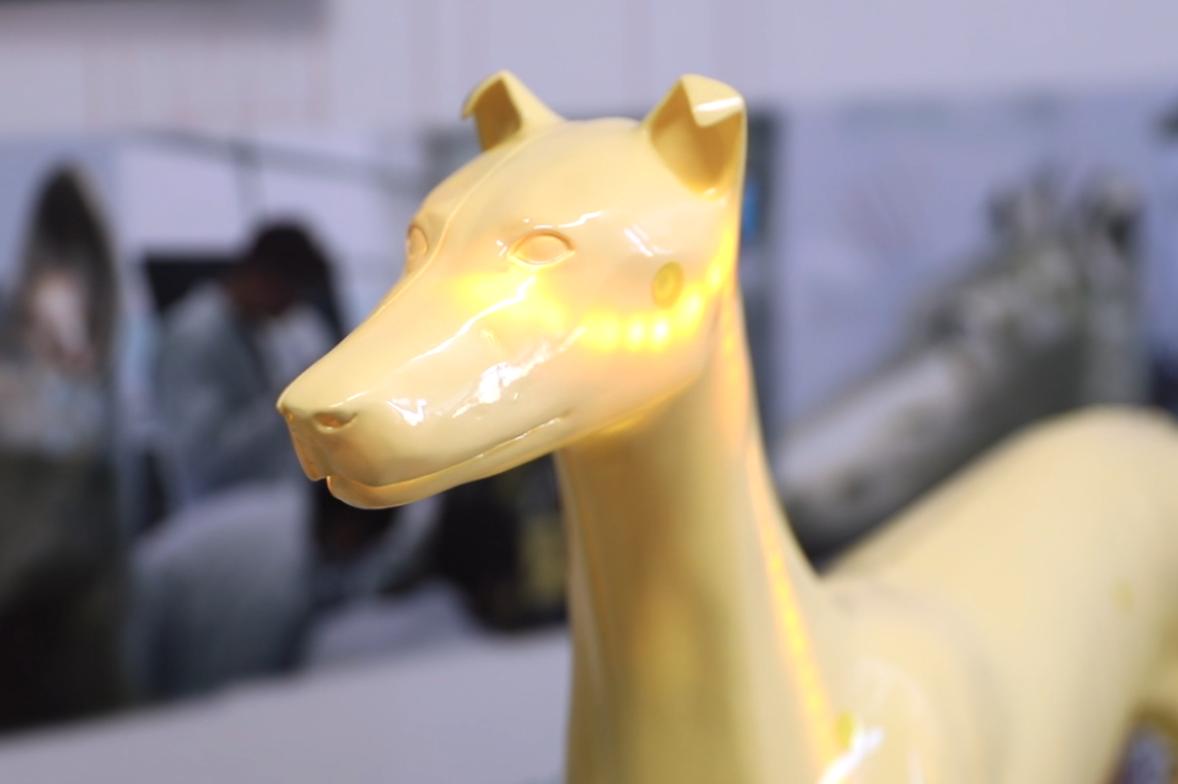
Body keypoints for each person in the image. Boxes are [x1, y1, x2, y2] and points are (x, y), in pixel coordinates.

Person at [153, 225, 335, 508]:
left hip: (264, 498)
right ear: (263, 277)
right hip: (214, 509)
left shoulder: (264, 328)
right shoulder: (195, 337)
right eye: (290, 292)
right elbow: (205, 459)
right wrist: (287, 402)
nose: (291, 307)